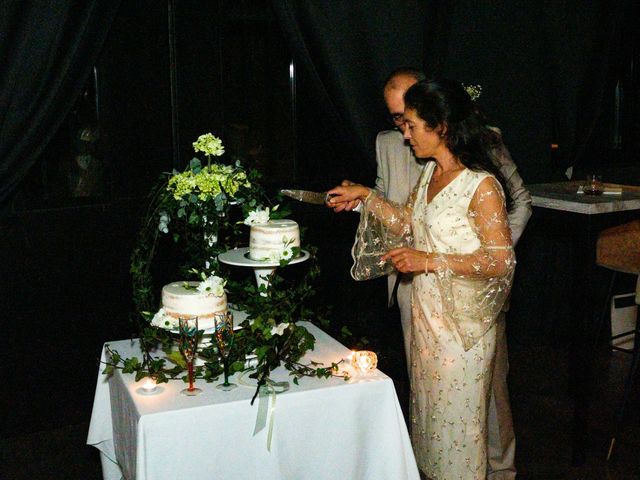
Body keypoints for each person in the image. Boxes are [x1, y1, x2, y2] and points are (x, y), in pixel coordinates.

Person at [334, 68, 530, 480]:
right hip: (428, 323)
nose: (406, 136)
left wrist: (430, 260)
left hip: (463, 332)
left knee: (460, 433)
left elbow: (499, 261)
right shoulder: (430, 174)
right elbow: (407, 223)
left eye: (413, 127)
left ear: (441, 127)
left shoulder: (482, 185)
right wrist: (366, 195)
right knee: (431, 427)